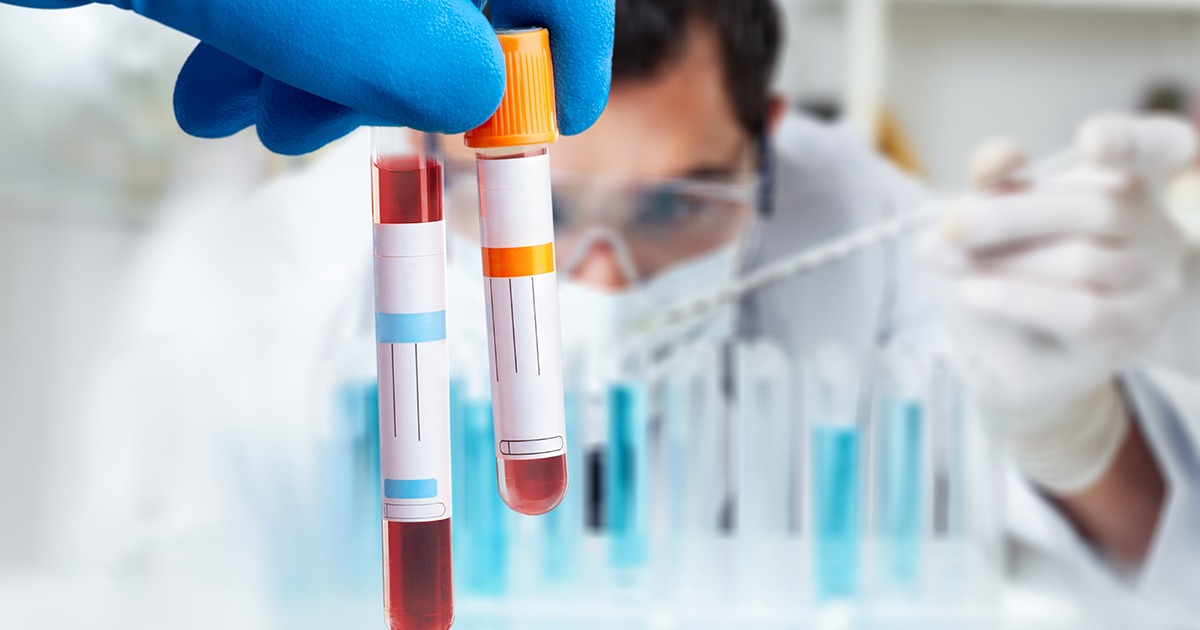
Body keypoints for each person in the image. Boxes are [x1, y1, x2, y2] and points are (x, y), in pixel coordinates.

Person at [28, 0, 1198, 626]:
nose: (588, 280)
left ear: (770, 134)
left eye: (673, 208)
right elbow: (127, 568)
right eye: (534, 204)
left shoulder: (857, 217)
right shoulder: (287, 254)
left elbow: (1145, 571)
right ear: (444, 153)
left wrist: (1080, 431)